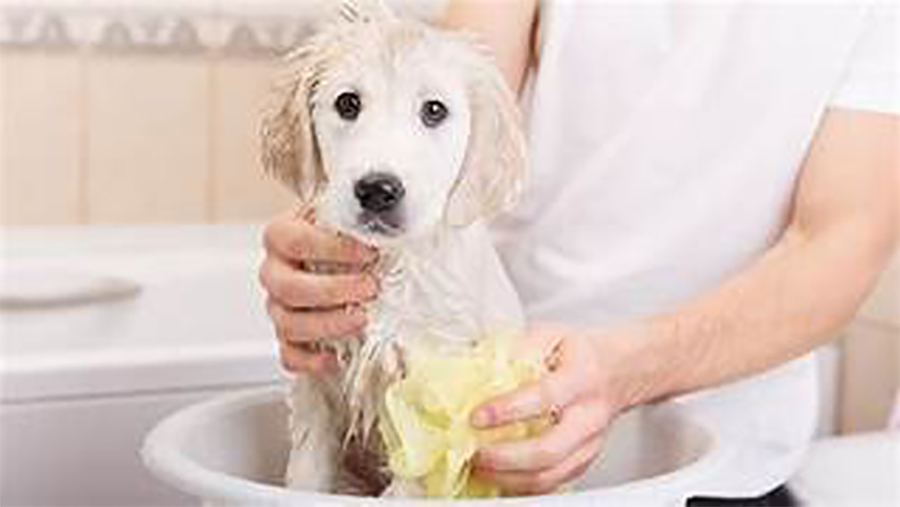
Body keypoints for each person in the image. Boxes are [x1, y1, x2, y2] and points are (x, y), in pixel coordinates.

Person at [259, 0, 898, 502]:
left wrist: (624, 371)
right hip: (480, 405)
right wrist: (323, 256)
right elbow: (455, 106)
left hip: (719, 459)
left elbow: (841, 242)